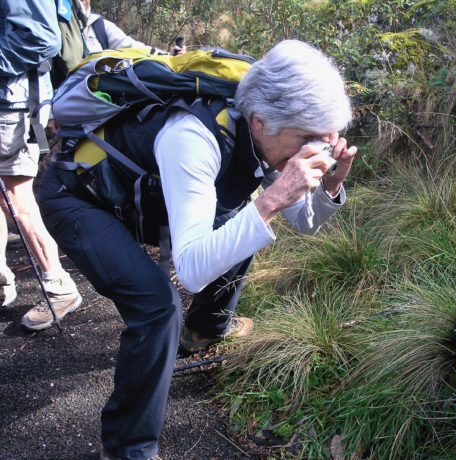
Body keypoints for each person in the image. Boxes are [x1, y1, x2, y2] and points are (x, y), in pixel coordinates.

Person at [38, 39, 356, 459]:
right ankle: (127, 447)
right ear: (261, 122)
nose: (312, 151)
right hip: (78, 197)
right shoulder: (193, 136)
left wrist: (329, 187)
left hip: (146, 203)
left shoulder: (265, 133)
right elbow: (190, 270)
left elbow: (304, 221)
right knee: (157, 306)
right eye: (306, 138)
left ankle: (203, 331)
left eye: (322, 140)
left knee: (241, 221)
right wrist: (272, 198)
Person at [0, 0, 82, 328]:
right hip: (13, 98)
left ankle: (58, 285)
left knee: (16, 194)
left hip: (14, 103)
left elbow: (41, 36)